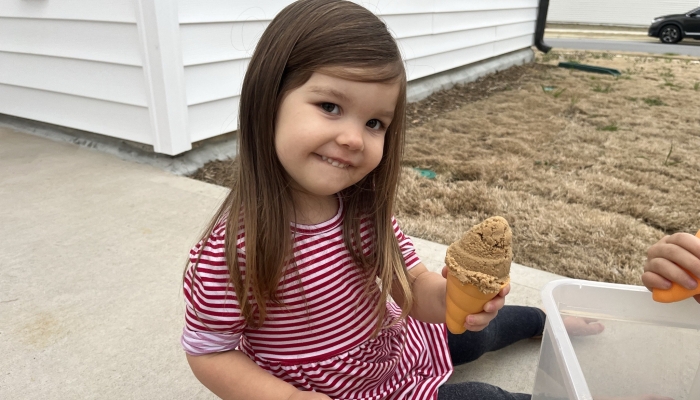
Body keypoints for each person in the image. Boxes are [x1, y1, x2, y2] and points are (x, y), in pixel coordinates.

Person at [180, 1, 696, 399]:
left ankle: (542, 323)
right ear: (267, 99)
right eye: (331, 106)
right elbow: (211, 355)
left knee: (472, 336)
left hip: (395, 350)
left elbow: (412, 289)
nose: (355, 139)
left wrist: (452, 299)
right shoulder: (233, 252)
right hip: (343, 390)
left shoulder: (359, 211)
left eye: (375, 122)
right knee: (481, 396)